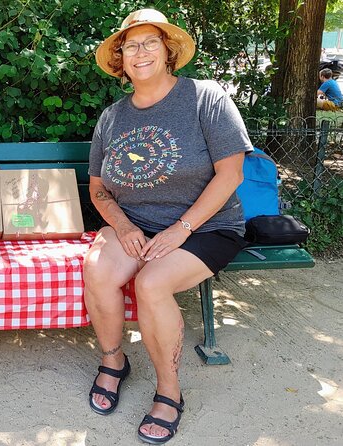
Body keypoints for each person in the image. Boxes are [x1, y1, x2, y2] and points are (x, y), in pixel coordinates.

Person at [84, 8, 252, 444]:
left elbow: (231, 174)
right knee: (98, 267)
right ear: (120, 59)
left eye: (150, 42)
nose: (140, 52)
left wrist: (181, 228)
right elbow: (99, 189)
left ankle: (169, 392)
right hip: (135, 224)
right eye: (130, 45)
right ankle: (114, 360)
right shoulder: (111, 117)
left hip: (207, 228)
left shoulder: (205, 97)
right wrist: (121, 226)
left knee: (152, 284)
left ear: (168, 50)